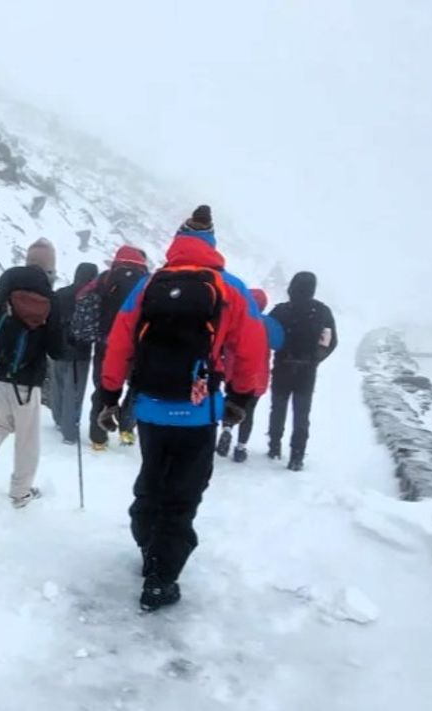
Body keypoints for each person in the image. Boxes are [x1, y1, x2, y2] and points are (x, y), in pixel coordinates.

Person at [96, 206, 261, 612]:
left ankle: (149, 544)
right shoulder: (230, 287)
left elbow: (120, 342)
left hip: (151, 408)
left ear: (177, 243)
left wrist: (108, 396)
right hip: (198, 410)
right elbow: (252, 350)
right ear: (212, 246)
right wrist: (242, 399)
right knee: (184, 491)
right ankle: (161, 576)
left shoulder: (151, 284)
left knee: (152, 478)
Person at [0, 238, 64, 507]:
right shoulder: (50, 298)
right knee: (27, 440)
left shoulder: (2, 291)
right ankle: (20, 493)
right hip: (26, 382)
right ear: (50, 269)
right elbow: (56, 349)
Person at [71, 246, 149, 450]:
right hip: (138, 347)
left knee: (103, 388)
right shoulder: (148, 282)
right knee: (134, 390)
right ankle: (126, 431)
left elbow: (84, 298)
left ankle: (98, 438)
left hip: (106, 344)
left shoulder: (105, 278)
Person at [266, 271, 338, 471]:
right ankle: (296, 456)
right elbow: (330, 343)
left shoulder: (280, 311)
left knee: (278, 408)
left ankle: (274, 447)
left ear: (291, 288)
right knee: (302, 413)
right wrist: (314, 359)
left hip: (282, 366)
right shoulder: (322, 312)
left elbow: (267, 334)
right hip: (307, 370)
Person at [216, 288, 282, 462]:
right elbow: (279, 343)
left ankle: (227, 429)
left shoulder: (236, 319)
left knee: (232, 403)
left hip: (234, 371)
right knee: (249, 411)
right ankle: (241, 447)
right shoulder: (268, 323)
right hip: (258, 376)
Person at [49, 262, 99, 445]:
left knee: (59, 385)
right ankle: (69, 432)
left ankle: (58, 419)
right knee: (74, 392)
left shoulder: (61, 293)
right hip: (80, 352)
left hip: (59, 348)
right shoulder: (93, 298)